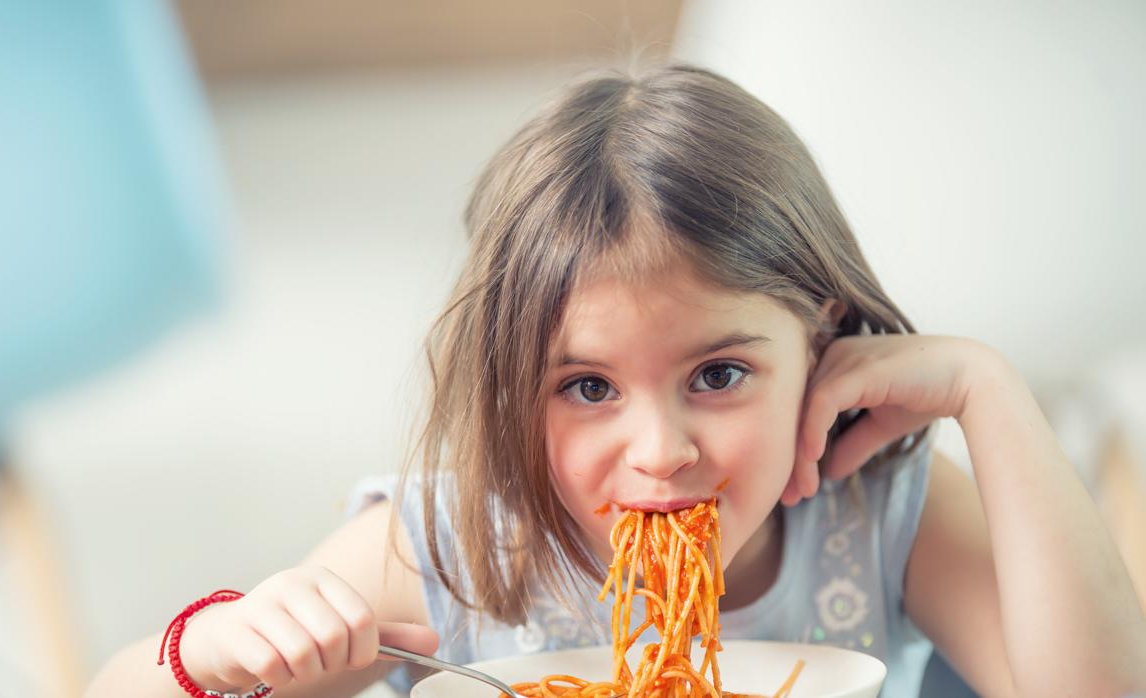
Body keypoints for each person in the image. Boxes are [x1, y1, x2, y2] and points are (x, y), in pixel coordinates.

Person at [85, 62, 1146, 698]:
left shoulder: (878, 514)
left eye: (719, 372)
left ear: (821, 339)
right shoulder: (457, 547)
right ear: (510, 385)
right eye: (587, 387)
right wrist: (213, 647)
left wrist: (987, 387)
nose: (659, 449)